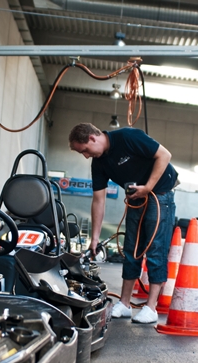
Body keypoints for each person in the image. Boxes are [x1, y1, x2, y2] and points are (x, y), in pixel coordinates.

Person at [68, 123, 177, 324]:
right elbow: (98, 200)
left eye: (84, 150)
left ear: (93, 138)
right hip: (136, 197)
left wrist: (148, 187)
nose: (85, 156)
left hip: (159, 193)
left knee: (155, 249)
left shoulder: (128, 137)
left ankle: (151, 307)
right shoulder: (99, 162)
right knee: (131, 250)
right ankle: (125, 304)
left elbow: (165, 155)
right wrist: (94, 239)